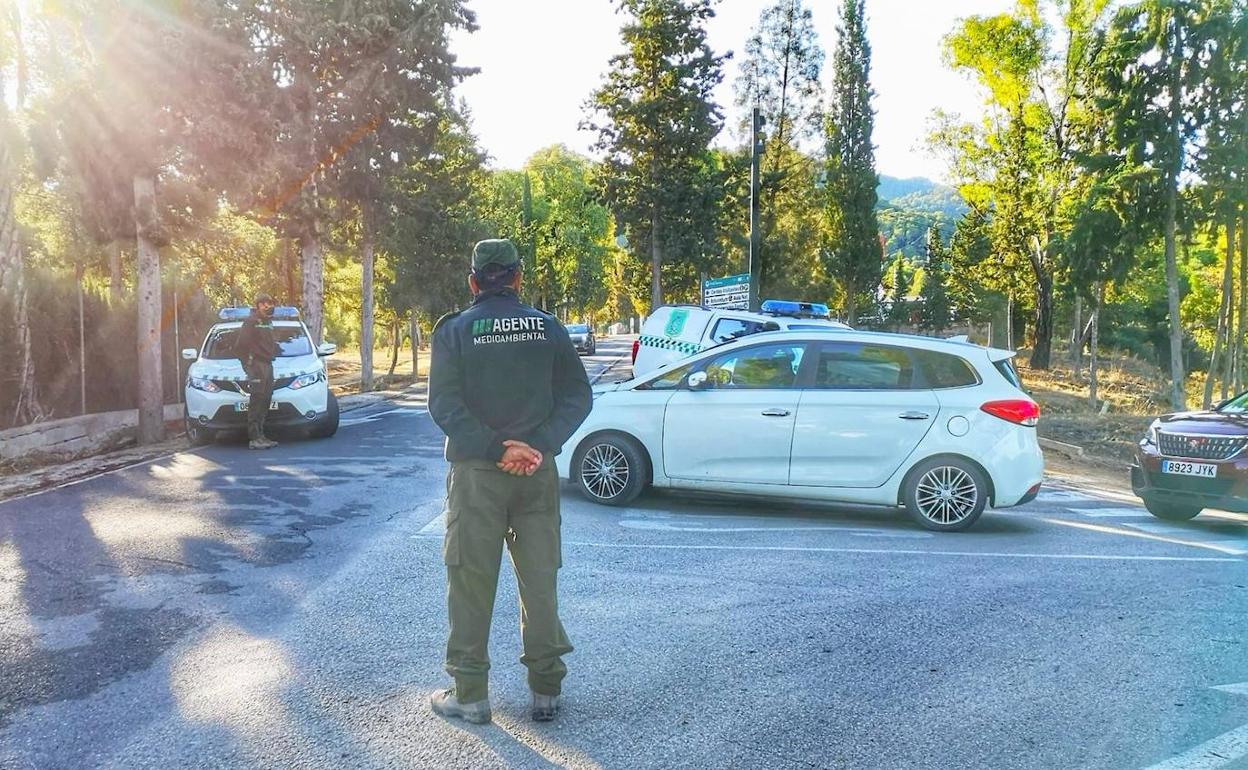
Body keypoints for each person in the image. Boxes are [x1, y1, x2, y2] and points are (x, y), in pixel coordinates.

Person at [427, 238, 592, 725]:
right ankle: (546, 690)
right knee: (539, 580)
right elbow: (578, 398)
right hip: (536, 475)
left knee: (471, 583)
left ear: (473, 281)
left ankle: (470, 694)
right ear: (519, 278)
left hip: (478, 475)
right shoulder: (548, 327)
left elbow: (445, 406)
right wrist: (537, 444)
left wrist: (497, 446)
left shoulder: (454, 331)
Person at [235, 293, 280, 450]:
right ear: (258, 305)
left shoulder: (268, 322)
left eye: (270, 303)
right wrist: (248, 366)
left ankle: (261, 435)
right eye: (265, 303)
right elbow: (241, 346)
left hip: (268, 365)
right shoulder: (250, 322)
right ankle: (254, 438)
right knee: (256, 401)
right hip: (257, 366)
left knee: (266, 399)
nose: (268, 306)